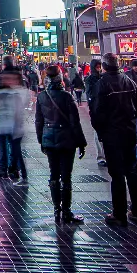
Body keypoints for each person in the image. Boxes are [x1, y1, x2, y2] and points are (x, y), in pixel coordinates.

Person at [90, 54, 137, 226]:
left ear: (104, 67)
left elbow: (97, 112)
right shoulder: (129, 82)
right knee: (132, 173)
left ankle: (119, 213)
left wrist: (100, 131)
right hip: (129, 132)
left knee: (117, 175)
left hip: (112, 135)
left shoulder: (102, 84)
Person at [36, 64, 86, 225]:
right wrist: (81, 143)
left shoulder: (42, 96)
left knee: (53, 174)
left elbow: (39, 121)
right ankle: (66, 211)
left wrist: (41, 140)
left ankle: (56, 208)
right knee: (66, 176)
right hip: (67, 140)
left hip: (49, 139)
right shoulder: (66, 97)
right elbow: (75, 123)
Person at [0, 60, 30, 186]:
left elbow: (19, 108)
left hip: (14, 128)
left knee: (17, 152)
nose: (5, 80)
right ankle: (13, 171)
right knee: (15, 151)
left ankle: (21, 175)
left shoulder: (18, 92)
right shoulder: (4, 91)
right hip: (7, 126)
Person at [84, 59, 106, 166]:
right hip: (96, 110)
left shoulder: (104, 77)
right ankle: (101, 156)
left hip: (105, 110)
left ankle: (106, 155)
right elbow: (90, 95)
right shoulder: (90, 80)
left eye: (99, 66)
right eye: (97, 67)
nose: (99, 69)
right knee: (98, 134)